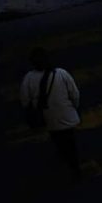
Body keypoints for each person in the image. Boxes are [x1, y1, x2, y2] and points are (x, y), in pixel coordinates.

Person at [19, 47, 82, 179]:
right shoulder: (61, 74)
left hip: (49, 118)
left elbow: (25, 101)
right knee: (70, 142)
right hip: (66, 116)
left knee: (57, 138)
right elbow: (75, 94)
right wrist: (73, 108)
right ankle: (75, 169)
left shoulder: (28, 78)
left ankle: (62, 155)